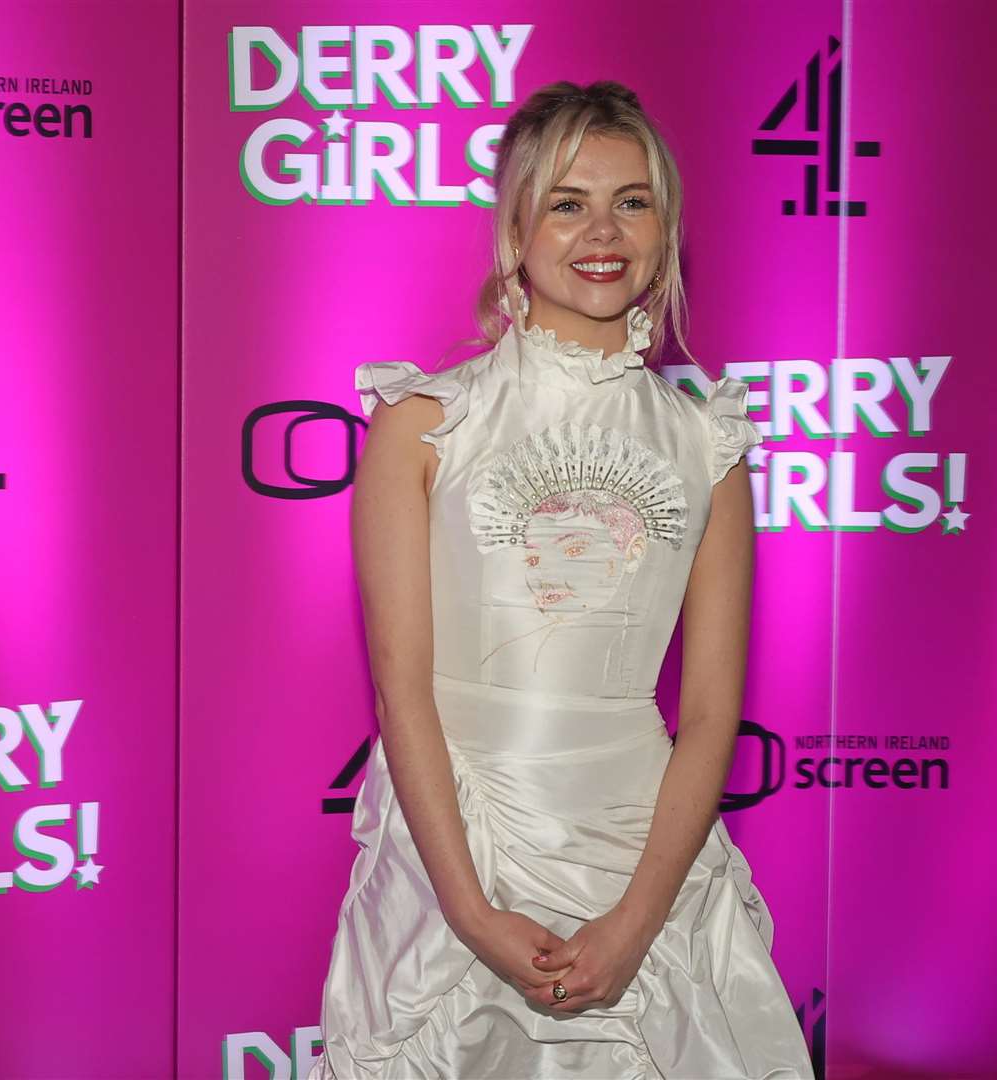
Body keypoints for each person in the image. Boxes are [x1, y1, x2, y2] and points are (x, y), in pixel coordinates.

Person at [307, 80, 814, 1080]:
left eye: (634, 200)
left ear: (666, 229)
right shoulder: (422, 425)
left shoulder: (706, 440)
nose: (604, 230)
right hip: (459, 851)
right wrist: (467, 911)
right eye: (568, 200)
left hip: (644, 862)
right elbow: (401, 690)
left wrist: (636, 922)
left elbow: (711, 712)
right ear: (516, 228)